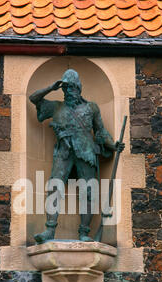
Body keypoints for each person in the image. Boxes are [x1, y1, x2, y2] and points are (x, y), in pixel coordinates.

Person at [29, 69, 124, 244]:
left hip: (86, 152)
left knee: (88, 191)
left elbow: (101, 132)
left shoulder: (91, 108)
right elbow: (34, 98)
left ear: (79, 88)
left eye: (73, 86)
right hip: (64, 151)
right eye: (66, 87)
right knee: (54, 187)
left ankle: (84, 232)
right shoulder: (56, 107)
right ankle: (49, 230)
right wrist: (52, 87)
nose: (70, 90)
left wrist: (113, 145)